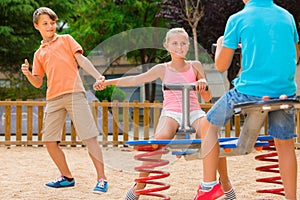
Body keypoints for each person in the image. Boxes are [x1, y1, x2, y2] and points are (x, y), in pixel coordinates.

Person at [94, 28, 236, 200]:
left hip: (193, 111)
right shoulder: (162, 69)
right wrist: (107, 82)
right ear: (166, 46)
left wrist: (203, 82)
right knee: (159, 140)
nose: (179, 47)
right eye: (175, 43)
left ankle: (225, 183)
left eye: (183, 43)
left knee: (211, 134)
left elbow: (206, 96)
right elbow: (134, 80)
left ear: (188, 46)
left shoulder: (195, 66)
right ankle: (140, 185)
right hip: (172, 112)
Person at [194, 0, 300, 199]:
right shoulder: (287, 16)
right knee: (284, 145)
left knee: (207, 125)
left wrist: (221, 43)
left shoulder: (238, 19)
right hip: (285, 91)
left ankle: (209, 186)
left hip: (249, 92)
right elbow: (295, 56)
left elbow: (221, 65)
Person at [21, 7, 108, 194]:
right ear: (37, 26)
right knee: (49, 141)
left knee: (89, 137)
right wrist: (28, 73)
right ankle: (67, 177)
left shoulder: (66, 40)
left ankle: (102, 179)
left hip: (74, 93)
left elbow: (82, 60)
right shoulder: (39, 53)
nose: (50, 26)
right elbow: (37, 82)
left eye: (52, 23)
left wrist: (98, 76)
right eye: (45, 23)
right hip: (53, 98)